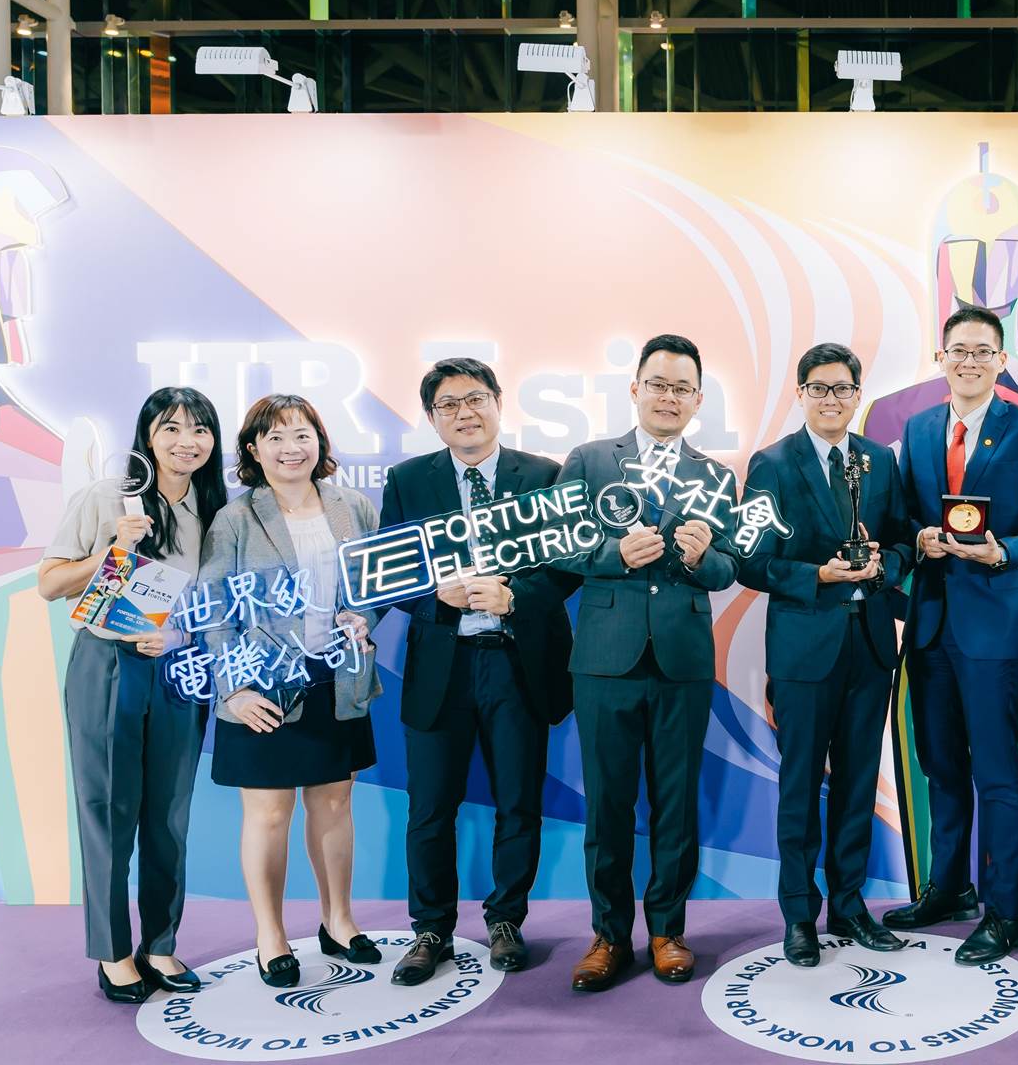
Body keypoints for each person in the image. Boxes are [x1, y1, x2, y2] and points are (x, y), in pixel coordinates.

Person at [379, 359, 576, 985]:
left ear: (497, 402)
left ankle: (506, 919)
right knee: (429, 807)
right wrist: (436, 595)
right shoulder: (409, 480)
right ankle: (430, 929)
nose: (464, 413)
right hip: (442, 665)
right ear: (432, 417)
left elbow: (569, 565)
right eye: (448, 404)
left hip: (517, 663)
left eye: (475, 399)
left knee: (518, 801)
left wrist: (515, 596)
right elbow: (389, 573)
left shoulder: (543, 476)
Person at [886, 306, 1018, 965]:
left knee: (996, 772)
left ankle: (1003, 912)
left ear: (1000, 361)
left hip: (995, 626)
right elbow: (905, 517)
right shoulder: (917, 428)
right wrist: (918, 538)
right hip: (930, 624)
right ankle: (948, 888)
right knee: (939, 766)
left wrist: (1003, 552)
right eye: (958, 350)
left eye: (982, 351)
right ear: (940, 358)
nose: (968, 361)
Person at [554, 335, 738, 991]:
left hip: (682, 660)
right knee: (607, 803)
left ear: (697, 400)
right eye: (658, 384)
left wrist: (701, 559)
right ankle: (608, 935)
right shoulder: (590, 459)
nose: (669, 397)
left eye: (682, 388)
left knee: (676, 803)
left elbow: (730, 566)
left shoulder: (717, 477)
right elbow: (556, 544)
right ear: (635, 389)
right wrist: (613, 555)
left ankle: (667, 930)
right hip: (605, 659)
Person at [39, 387, 227, 1003]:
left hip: (179, 667)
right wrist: (113, 550)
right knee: (108, 811)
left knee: (170, 813)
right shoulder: (107, 496)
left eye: (199, 430)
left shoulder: (214, 507)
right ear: (147, 435)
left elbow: (217, 599)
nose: (186, 442)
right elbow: (50, 583)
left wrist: (181, 635)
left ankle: (161, 945)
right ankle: (114, 953)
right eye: (171, 428)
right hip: (109, 666)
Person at [738, 343, 914, 967]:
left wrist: (884, 563)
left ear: (857, 394)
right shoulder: (771, 464)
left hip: (870, 645)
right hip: (804, 650)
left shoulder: (879, 460)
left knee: (859, 782)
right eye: (819, 388)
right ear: (801, 394)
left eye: (842, 388)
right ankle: (798, 915)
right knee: (800, 784)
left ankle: (848, 904)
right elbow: (751, 561)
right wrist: (819, 574)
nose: (831, 399)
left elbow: (903, 543)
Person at [198, 394, 383, 988]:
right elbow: (213, 611)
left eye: (302, 434)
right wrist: (233, 689)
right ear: (254, 450)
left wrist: (363, 619)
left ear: (319, 442)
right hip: (261, 686)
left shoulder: (353, 506)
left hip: (336, 679)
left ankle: (340, 922)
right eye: (275, 437)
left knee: (334, 804)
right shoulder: (235, 518)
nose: (290, 448)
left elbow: (375, 587)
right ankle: (271, 936)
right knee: (270, 813)